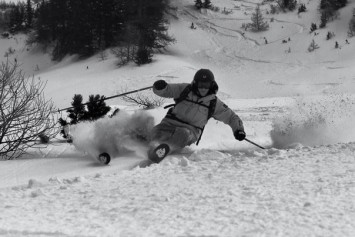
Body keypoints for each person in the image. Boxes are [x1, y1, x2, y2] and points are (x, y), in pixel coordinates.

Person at [147, 69, 246, 163]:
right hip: (168, 124)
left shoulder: (214, 103)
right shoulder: (185, 89)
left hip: (190, 131)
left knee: (182, 134)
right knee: (155, 132)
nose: (203, 88)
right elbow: (167, 90)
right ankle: (151, 147)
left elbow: (231, 117)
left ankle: (164, 149)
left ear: (211, 85)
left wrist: (238, 130)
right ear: (195, 83)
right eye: (201, 84)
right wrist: (160, 87)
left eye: (206, 85)